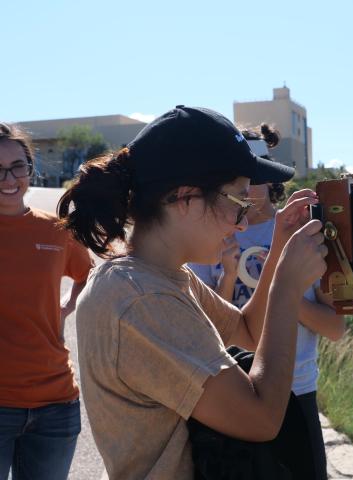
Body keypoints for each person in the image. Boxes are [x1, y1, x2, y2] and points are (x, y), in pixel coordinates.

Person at [57, 106, 328, 480]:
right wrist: (286, 288)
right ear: (185, 198)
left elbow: (248, 331)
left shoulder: (164, 276)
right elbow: (260, 418)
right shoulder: (141, 298)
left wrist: (280, 245)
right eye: (237, 203)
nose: (244, 222)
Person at [190, 124, 345, 480]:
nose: (248, 189)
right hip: (232, 390)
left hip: (297, 389)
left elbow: (336, 328)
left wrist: (286, 291)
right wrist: (228, 278)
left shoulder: (304, 230)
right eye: (237, 178)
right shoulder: (211, 234)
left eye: (256, 175)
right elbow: (205, 331)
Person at [0, 122, 93, 479]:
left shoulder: (56, 231)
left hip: (56, 404)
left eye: (17, 166)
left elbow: (86, 274)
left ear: (29, 168)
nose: (10, 178)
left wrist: (68, 306)